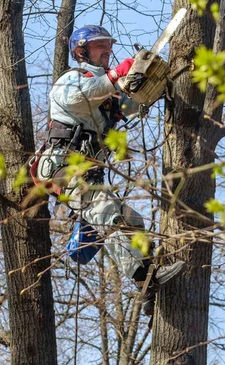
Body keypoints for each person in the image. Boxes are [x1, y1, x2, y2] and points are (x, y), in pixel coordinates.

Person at [46, 25, 185, 316]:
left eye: (108, 46)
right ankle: (146, 280)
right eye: (99, 46)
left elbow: (132, 102)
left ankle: (149, 284)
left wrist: (150, 80)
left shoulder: (108, 93)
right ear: (81, 51)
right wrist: (115, 77)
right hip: (63, 167)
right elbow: (78, 99)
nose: (107, 50)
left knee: (133, 220)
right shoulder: (72, 79)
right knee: (109, 214)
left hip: (88, 171)